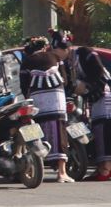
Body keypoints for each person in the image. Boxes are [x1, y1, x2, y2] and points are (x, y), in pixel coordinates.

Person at [20, 32, 73, 184]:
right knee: (59, 132)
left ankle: (35, 167)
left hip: (38, 101)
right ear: (45, 47)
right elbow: (65, 79)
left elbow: (24, 85)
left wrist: (27, 98)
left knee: (35, 130)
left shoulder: (27, 62)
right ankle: (62, 173)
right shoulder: (55, 58)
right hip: (57, 99)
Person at [73, 47, 111, 182]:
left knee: (103, 131)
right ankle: (102, 167)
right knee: (98, 130)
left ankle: (106, 168)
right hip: (96, 101)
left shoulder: (83, 56)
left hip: (104, 99)